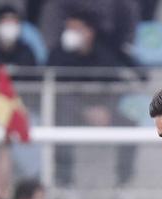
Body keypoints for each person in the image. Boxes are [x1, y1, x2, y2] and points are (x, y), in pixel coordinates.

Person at [49, 10, 138, 189]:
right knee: (61, 122)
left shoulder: (104, 55)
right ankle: (65, 183)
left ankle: (123, 184)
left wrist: (105, 110)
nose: (70, 33)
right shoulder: (57, 55)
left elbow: (115, 88)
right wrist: (85, 111)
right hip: (72, 112)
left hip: (104, 112)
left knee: (130, 126)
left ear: (89, 32)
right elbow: (59, 93)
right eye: (68, 28)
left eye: (76, 29)